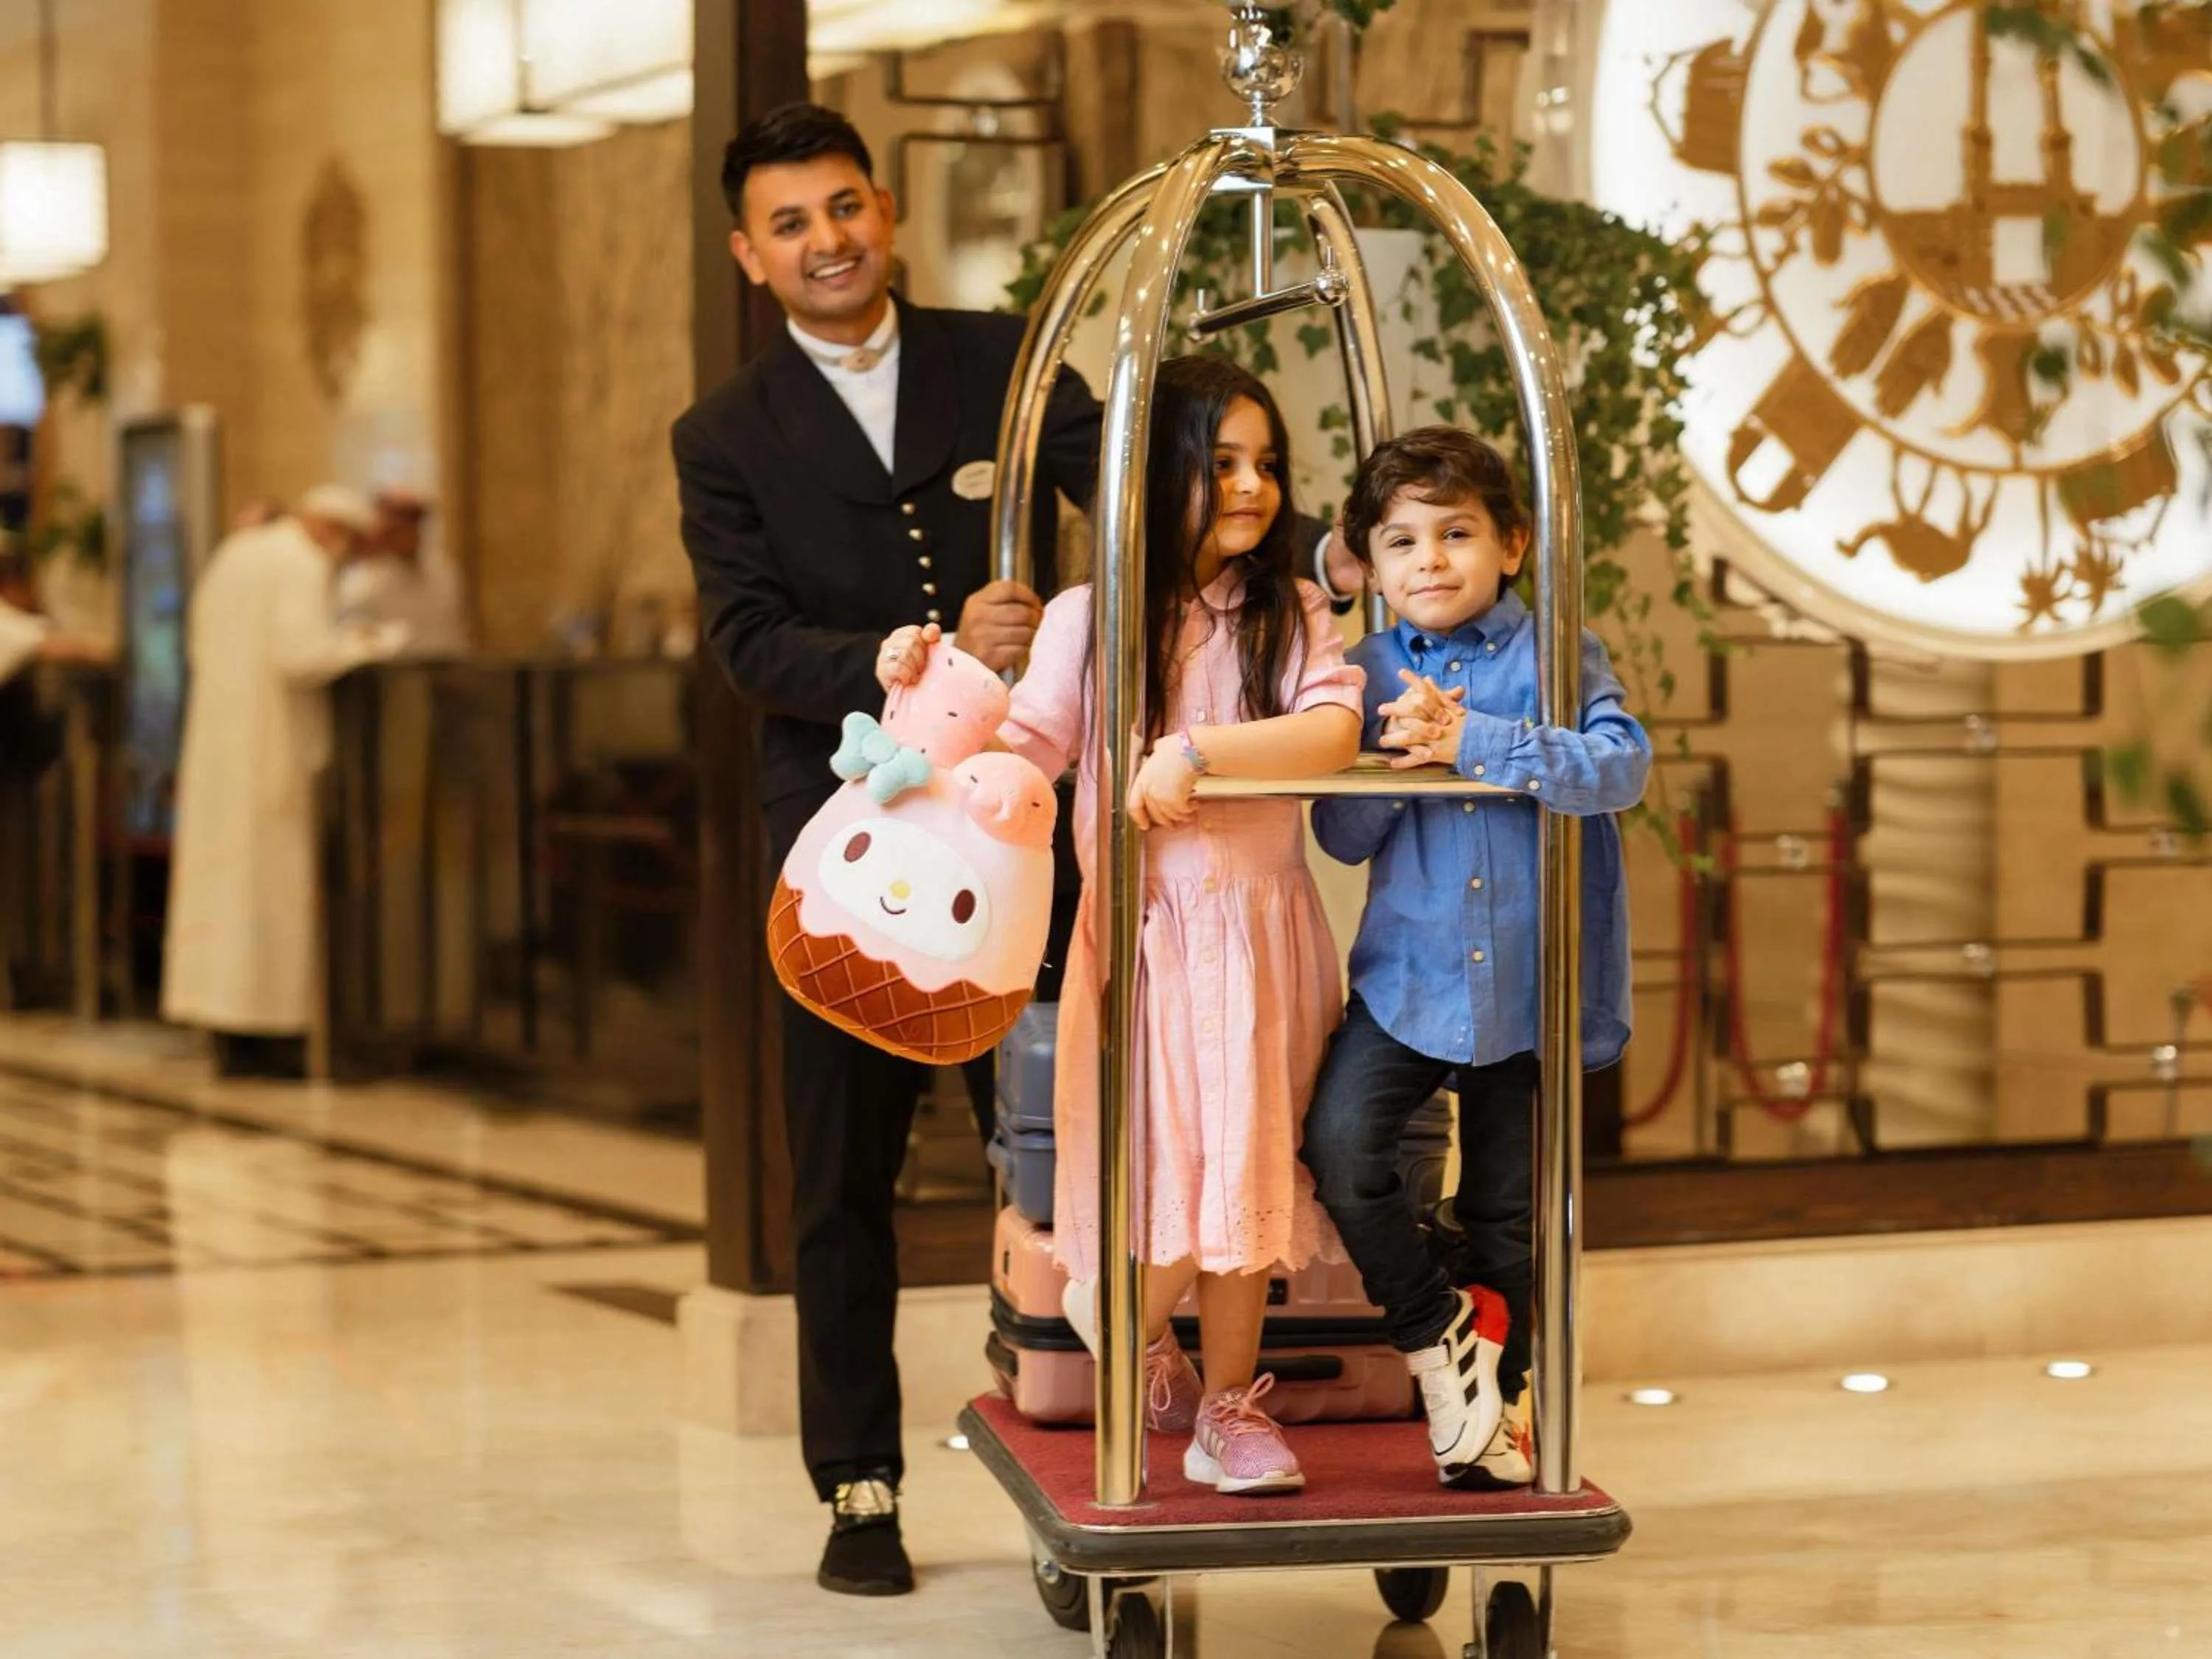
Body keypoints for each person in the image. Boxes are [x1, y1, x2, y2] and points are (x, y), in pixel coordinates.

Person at [670, 102, 1108, 1599]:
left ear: (890, 211)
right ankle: (859, 1488)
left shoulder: (1007, 357)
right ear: (750, 255)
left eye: (844, 208)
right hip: (846, 859)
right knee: (842, 1178)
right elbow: (745, 644)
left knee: (1051, 1154)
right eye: (789, 223)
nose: (827, 241)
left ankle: (1085, 1451)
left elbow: (1143, 500)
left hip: (1021, 832)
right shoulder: (723, 435)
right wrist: (899, 653)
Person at [879, 355, 1363, 1498]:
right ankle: (1134, 1330)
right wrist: (927, 697)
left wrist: (1197, 753)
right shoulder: (1089, 616)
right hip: (1146, 940)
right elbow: (1030, 750)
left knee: (1251, 1165)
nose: (1252, 486)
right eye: (1224, 462)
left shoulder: (1287, 610)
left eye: (1268, 464)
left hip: (1260, 935)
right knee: (1171, 1171)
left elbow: (1331, 731)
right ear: (1158, 480)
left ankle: (1228, 1405)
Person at [1301, 427, 1651, 1489]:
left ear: (1513, 542)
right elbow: (1339, 837)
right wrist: (1395, 761)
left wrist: (1474, 742)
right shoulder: (1362, 669)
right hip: (1407, 982)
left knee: (1509, 1216)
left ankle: (1500, 1422)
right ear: (1369, 561)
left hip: (1535, 991)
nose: (1431, 560)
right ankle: (1438, 1320)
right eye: (1401, 541)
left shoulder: (1557, 654)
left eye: (1457, 533)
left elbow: (1619, 768)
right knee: (1345, 1152)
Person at [161, 484, 408, 1078]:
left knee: (223, 890)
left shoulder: (236, 552)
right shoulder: (300, 563)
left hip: (219, 746)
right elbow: (300, 654)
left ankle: (225, 1031)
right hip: (269, 748)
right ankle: (273, 1035)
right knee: (271, 892)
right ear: (334, 533)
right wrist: (367, 642)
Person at [333, 487, 467, 657]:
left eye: (412, 522)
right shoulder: (361, 580)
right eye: (397, 522)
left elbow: (454, 633)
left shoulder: (444, 573)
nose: (407, 531)